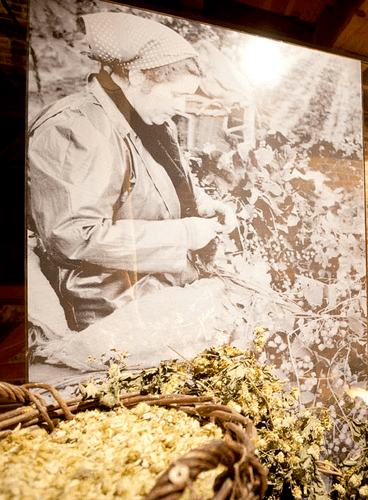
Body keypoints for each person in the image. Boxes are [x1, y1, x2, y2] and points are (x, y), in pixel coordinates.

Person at [27, 12, 236, 332]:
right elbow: (74, 237)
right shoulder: (76, 128)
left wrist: (203, 204)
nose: (180, 107)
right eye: (176, 94)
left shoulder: (150, 121)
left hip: (154, 287)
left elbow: (160, 181)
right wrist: (184, 234)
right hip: (108, 307)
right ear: (137, 77)